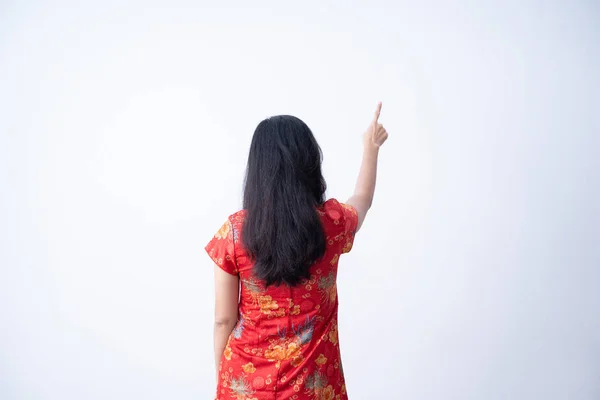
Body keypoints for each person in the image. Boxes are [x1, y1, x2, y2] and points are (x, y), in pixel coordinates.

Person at [205, 103, 388, 399]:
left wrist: (223, 382)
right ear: (309, 163)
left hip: (244, 387)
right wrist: (371, 147)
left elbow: (222, 320)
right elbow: (362, 199)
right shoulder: (331, 224)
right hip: (313, 389)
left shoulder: (235, 232)